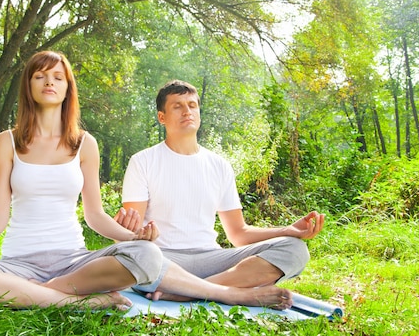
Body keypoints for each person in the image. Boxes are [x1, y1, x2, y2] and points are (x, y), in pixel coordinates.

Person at [0, 51, 164, 311]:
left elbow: (94, 215)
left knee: (148, 256)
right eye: (40, 76)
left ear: (68, 88)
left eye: (58, 77)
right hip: (18, 265)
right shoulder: (7, 142)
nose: (49, 82)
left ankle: (39, 294)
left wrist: (134, 236)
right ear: (28, 86)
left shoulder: (85, 144)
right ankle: (80, 303)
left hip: (74, 265)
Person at [115, 79, 325, 310]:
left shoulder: (219, 165)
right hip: (163, 260)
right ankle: (225, 292)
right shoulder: (143, 161)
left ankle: (188, 293)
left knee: (294, 249)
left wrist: (287, 231)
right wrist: (138, 235)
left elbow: (238, 233)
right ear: (161, 117)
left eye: (192, 105)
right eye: (177, 106)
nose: (187, 111)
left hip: (211, 260)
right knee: (135, 257)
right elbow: (131, 234)